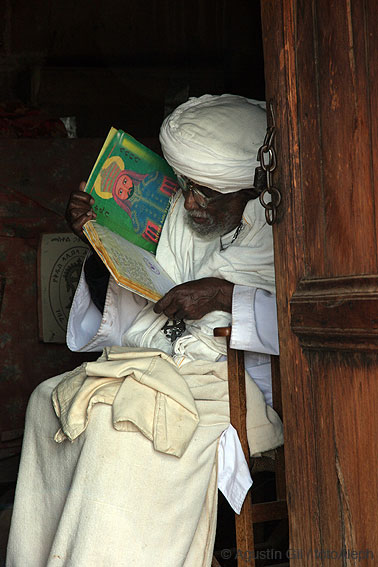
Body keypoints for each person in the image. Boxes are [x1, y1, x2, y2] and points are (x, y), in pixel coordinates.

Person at [6, 94, 283, 567]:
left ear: (248, 192)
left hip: (229, 385)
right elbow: (143, 312)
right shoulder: (180, 216)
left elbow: (298, 324)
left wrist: (219, 295)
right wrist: (97, 241)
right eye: (187, 186)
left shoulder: (279, 233)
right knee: (44, 404)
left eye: (207, 193)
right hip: (161, 364)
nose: (191, 202)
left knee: (119, 437)